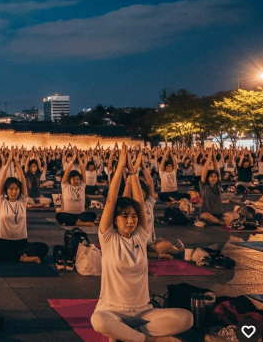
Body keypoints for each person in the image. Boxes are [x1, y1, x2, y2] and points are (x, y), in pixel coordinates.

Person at [91, 144, 192, 342]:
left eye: (134, 217)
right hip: (111, 311)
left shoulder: (140, 236)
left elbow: (140, 201)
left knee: (186, 318)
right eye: (125, 217)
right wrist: (120, 167)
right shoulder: (108, 237)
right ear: (114, 220)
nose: (131, 220)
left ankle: (126, 336)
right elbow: (111, 199)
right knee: (98, 321)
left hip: (143, 312)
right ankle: (148, 340)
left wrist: (133, 173)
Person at [0, 148, 48, 263]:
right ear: (6, 190)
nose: (14, 192)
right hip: (3, 242)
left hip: (21, 243)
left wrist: (16, 162)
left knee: (44, 247)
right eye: (11, 189)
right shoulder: (1, 201)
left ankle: (8, 256)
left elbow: (23, 180)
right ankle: (21, 258)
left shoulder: (22, 201)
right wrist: (9, 161)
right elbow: (2, 180)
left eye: (16, 189)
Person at [57, 148, 97, 226]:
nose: (76, 181)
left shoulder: (82, 185)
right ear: (70, 179)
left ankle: (75, 222)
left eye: (78, 179)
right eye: (74, 179)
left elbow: (83, 170)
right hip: (68, 214)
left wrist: (79, 158)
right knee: (60, 216)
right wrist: (72, 160)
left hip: (80, 214)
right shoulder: (65, 186)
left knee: (93, 215)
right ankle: (81, 223)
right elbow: (67, 171)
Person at [198, 148, 225, 226]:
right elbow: (204, 171)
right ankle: (219, 222)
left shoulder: (218, 185)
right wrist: (209, 157)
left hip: (218, 214)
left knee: (235, 215)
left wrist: (214, 156)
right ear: (208, 178)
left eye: (215, 177)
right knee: (205, 216)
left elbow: (218, 170)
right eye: (211, 177)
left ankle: (217, 221)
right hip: (207, 214)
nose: (213, 178)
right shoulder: (204, 185)